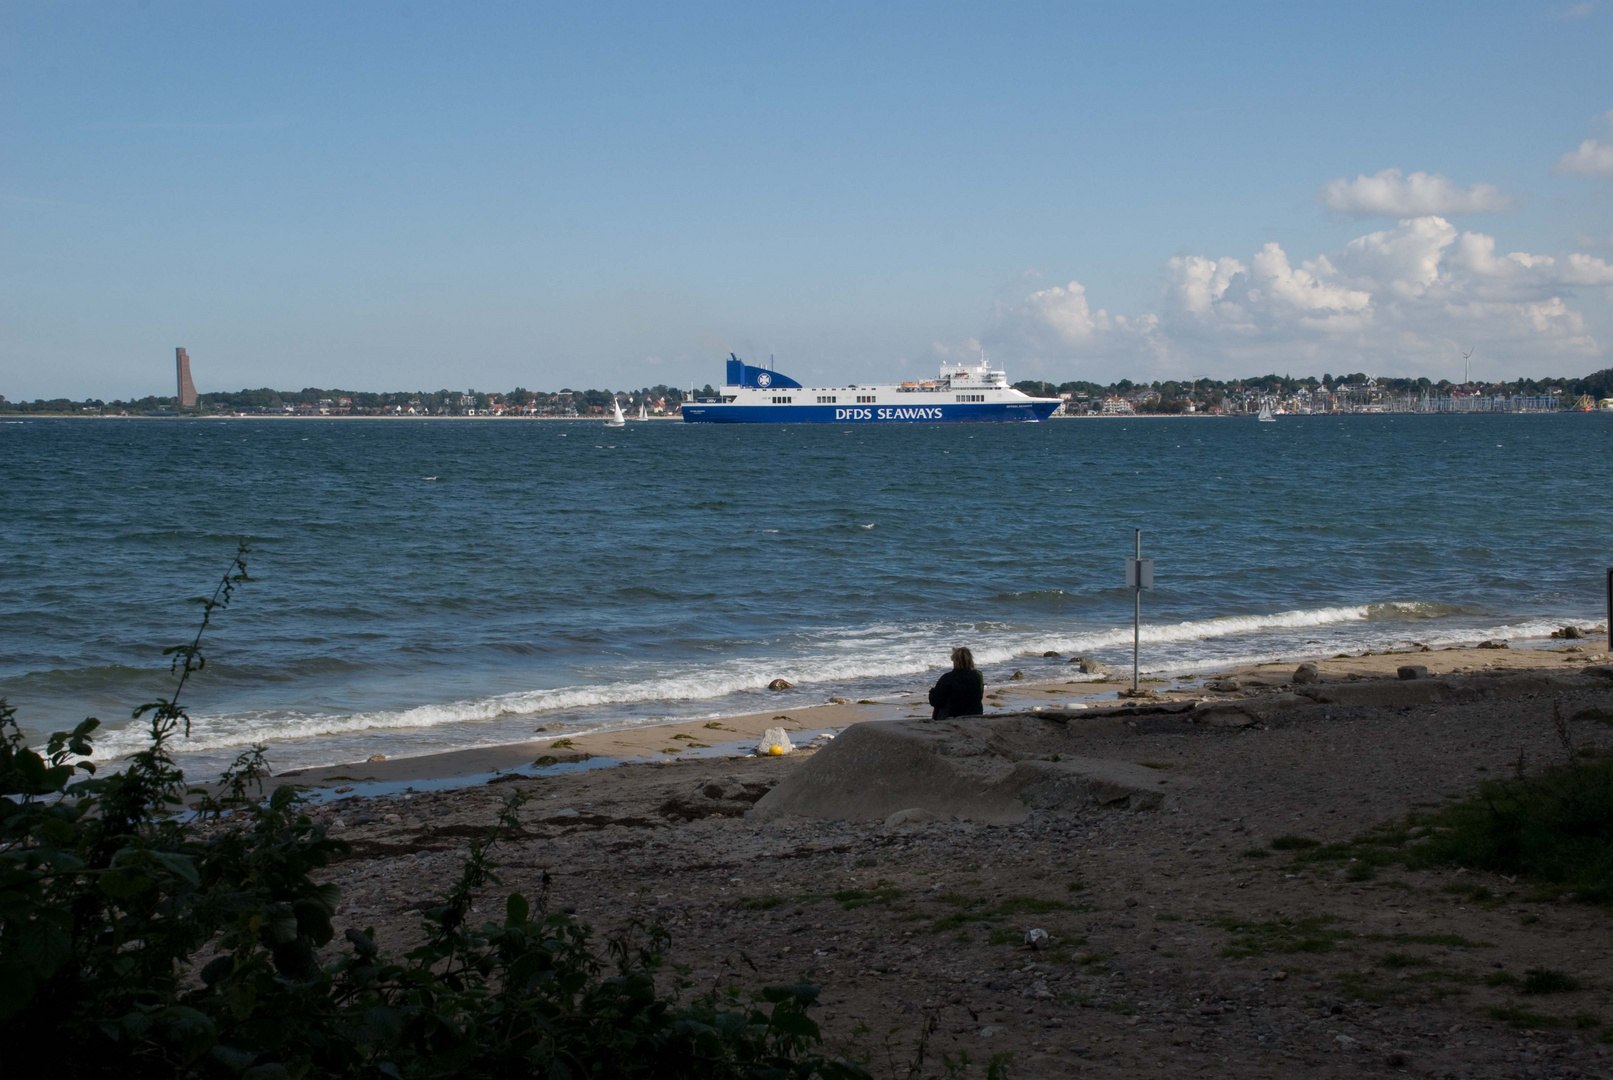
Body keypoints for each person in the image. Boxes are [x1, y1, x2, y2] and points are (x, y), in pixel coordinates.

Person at [928, 646, 984, 720]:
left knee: (939, 704)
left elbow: (934, 702)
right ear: (971, 660)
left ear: (954, 660)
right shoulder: (978, 675)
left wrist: (932, 692)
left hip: (953, 716)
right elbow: (979, 695)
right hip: (975, 714)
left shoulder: (947, 678)